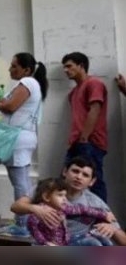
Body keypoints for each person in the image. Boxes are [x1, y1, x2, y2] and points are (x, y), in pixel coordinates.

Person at [0, 53, 48, 238]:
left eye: (14, 66)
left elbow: (11, 106)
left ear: (27, 70)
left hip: (17, 139)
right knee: (23, 181)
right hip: (21, 137)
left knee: (20, 182)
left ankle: (22, 224)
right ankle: (27, 222)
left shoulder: (27, 82)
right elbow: (5, 108)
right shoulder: (30, 84)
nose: (10, 69)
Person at [11, 156, 126, 246]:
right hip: (48, 243)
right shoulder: (48, 188)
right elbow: (16, 206)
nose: (79, 177)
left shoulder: (95, 203)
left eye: (85, 175)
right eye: (75, 171)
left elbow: (123, 240)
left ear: (92, 181)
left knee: (102, 243)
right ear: (65, 171)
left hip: (78, 242)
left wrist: (113, 228)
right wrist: (36, 209)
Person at [61, 52, 108, 201]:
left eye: (69, 66)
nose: (66, 70)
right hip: (77, 143)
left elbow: (95, 109)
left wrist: (84, 138)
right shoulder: (73, 93)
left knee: (94, 183)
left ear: (81, 66)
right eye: (64, 67)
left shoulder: (94, 83)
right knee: (67, 182)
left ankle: (102, 215)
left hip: (90, 142)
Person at [27, 177, 113, 246]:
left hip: (67, 241)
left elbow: (82, 209)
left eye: (65, 195)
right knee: (93, 243)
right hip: (50, 245)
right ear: (46, 197)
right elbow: (34, 231)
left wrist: (104, 214)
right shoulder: (37, 214)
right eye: (60, 195)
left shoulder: (62, 208)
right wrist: (45, 243)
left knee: (104, 240)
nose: (64, 199)